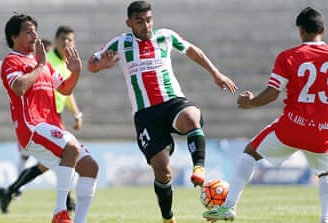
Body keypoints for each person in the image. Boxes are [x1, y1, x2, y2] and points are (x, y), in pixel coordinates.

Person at [202, 7, 328, 223]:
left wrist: (250, 103)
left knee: (250, 152)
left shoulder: (289, 57)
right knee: (326, 173)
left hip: (292, 127)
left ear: (301, 31)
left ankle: (229, 207)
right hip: (323, 130)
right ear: (323, 30)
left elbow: (272, 94)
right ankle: (326, 220)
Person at [87, 1, 237, 222]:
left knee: (191, 117)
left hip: (172, 101)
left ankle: (199, 167)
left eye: (149, 19)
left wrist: (216, 73)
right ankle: (168, 218)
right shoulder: (120, 43)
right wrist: (100, 66)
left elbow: (192, 51)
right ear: (129, 23)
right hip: (146, 113)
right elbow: (92, 63)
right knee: (163, 171)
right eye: (140, 21)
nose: (146, 25)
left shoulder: (165, 36)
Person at [0, 14, 98, 223]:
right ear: (13, 36)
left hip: (52, 125)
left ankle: (78, 221)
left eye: (35, 30)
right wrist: (40, 65)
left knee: (90, 166)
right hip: (32, 126)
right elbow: (19, 88)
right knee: (71, 148)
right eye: (28, 31)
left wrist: (76, 73)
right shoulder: (12, 60)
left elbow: (64, 89)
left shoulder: (42, 63)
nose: (34, 34)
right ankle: (60, 213)